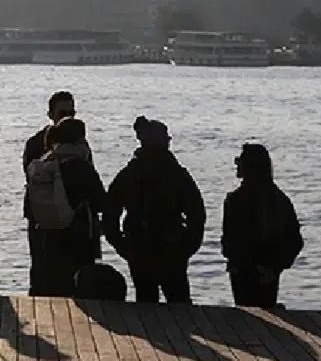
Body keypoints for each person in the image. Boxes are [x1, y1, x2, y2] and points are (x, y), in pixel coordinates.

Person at [102, 116, 205, 304]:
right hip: (170, 248)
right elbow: (196, 214)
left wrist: (122, 245)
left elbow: (110, 213)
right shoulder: (176, 174)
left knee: (146, 304)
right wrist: (188, 246)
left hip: (140, 247)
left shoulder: (130, 174)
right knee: (180, 305)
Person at [29, 118, 105, 297]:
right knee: (77, 285)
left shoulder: (45, 162)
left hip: (48, 233)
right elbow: (100, 200)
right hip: (77, 235)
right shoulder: (80, 165)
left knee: (53, 283)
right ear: (80, 140)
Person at [221, 143, 303, 308]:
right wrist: (276, 266)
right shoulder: (279, 199)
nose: (237, 166)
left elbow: (231, 238)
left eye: (240, 162)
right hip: (264, 270)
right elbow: (294, 240)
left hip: (247, 271)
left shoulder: (235, 200)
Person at [24, 90, 75, 296]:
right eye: (63, 112)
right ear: (50, 114)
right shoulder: (36, 143)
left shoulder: (79, 144)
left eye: (71, 113)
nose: (67, 117)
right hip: (41, 216)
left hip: (69, 217)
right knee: (41, 271)